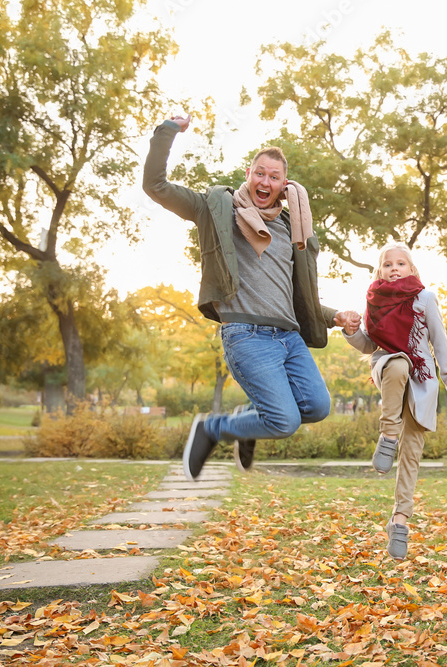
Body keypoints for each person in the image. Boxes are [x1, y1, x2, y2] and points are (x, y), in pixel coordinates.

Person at [143, 114, 360, 481]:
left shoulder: (293, 229)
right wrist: (167, 132)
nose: (266, 181)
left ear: (284, 185)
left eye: (274, 177)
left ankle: (250, 419)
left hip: (288, 337)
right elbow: (156, 185)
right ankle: (213, 430)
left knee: (317, 407)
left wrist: (333, 316)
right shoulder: (216, 210)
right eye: (260, 172)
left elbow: (295, 297)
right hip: (246, 334)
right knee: (284, 421)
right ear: (249, 173)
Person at [340, 242, 447, 560]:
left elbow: (440, 342)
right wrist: (350, 331)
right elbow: (368, 344)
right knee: (398, 362)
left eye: (401, 264)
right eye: (388, 264)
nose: (394, 268)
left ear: (412, 269)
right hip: (389, 369)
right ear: (380, 271)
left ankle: (399, 520)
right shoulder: (374, 302)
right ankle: (388, 433)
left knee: (412, 456)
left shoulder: (425, 299)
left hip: (422, 381)